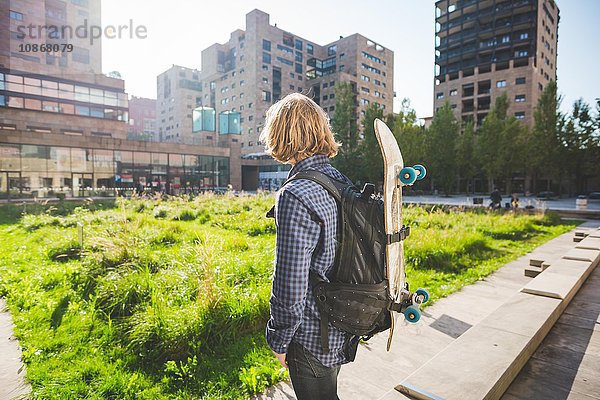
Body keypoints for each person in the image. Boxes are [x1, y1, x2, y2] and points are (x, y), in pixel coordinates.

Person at [260, 93, 351, 400]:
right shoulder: (341, 182)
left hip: (311, 334)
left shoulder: (295, 193)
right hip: (342, 322)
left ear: (281, 134)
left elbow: (290, 281)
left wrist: (280, 339)